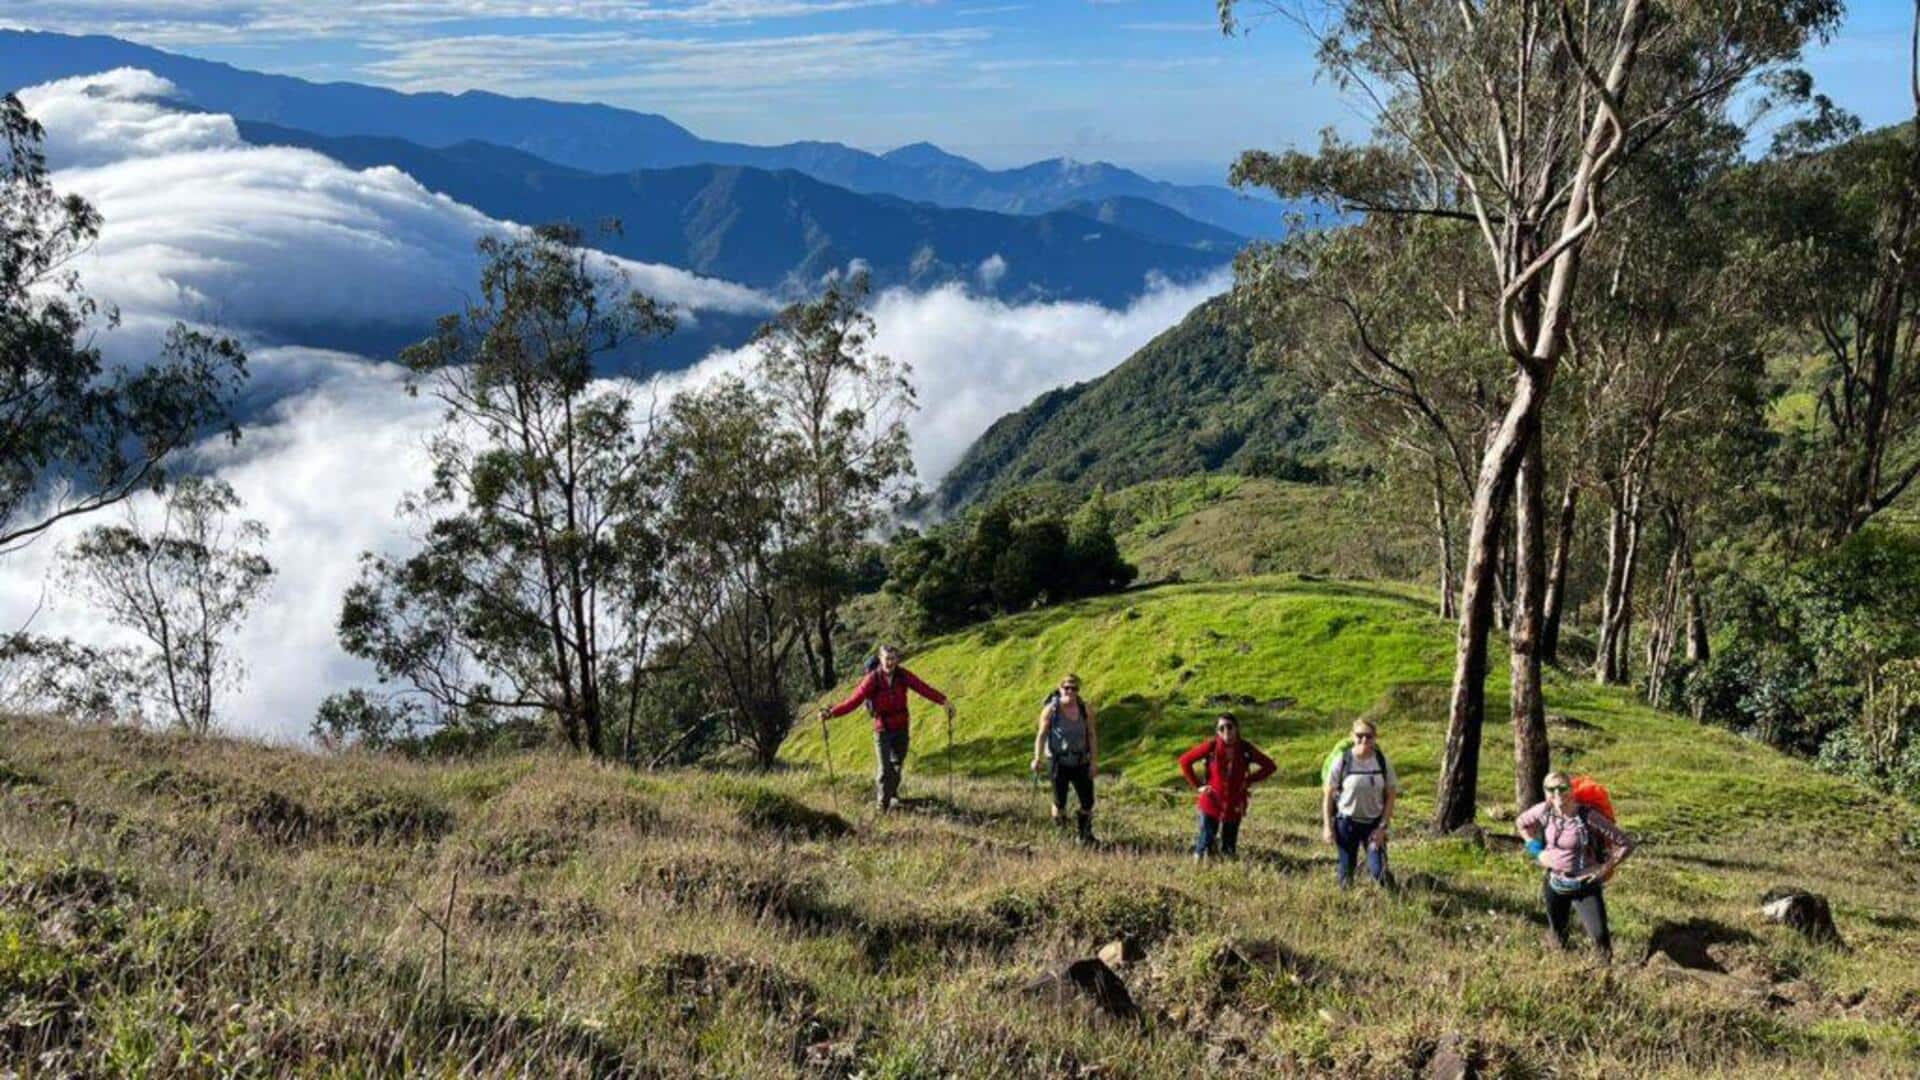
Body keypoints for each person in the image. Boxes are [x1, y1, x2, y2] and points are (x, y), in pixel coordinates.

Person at [1515, 771, 1635, 961]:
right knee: (1558, 936)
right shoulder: (1543, 811)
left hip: (1585, 886)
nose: (1557, 793)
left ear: (1571, 790)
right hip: (1555, 883)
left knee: (1600, 938)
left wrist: (1605, 868)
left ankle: (1605, 974)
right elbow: (1521, 823)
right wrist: (1537, 850)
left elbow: (1626, 844)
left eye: (1562, 788)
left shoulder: (1588, 816)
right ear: (1545, 792)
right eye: (1551, 789)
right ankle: (1564, 970)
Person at [819, 644, 954, 811]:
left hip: (901, 727)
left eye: (893, 659)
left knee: (897, 766)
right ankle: (882, 808)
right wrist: (832, 713)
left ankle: (891, 796)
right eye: (887, 659)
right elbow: (854, 700)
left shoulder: (903, 675)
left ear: (897, 659)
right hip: (882, 728)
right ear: (880, 659)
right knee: (884, 770)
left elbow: (922, 688)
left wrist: (943, 701)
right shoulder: (872, 679)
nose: (890, 662)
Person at [1178, 713, 1277, 860]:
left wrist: (1248, 780)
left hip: (1234, 803)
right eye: (1221, 728)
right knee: (1205, 844)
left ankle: (1227, 870)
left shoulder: (1245, 749)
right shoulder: (1211, 747)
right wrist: (1198, 786)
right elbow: (1185, 761)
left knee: (1229, 849)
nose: (1226, 731)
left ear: (1236, 728)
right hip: (1211, 801)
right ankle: (1198, 870)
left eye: (1229, 727)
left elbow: (1270, 766)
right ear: (1217, 731)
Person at [1322, 718, 1399, 887]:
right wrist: (1327, 827)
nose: (1364, 740)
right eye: (1359, 735)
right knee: (1346, 872)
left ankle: (1397, 896)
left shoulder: (1382, 761)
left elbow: (1391, 795)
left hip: (1374, 826)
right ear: (1352, 736)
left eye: (1369, 736)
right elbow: (1328, 795)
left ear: (1375, 738)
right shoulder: (1342, 760)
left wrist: (1382, 827)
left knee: (1379, 870)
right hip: (1346, 825)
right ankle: (1347, 901)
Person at [1030, 674, 1099, 843]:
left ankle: (1084, 835)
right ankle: (1061, 834)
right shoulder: (1051, 710)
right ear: (1060, 689)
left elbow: (1091, 735)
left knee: (1088, 802)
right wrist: (1037, 758)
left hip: (1081, 761)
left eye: (1074, 688)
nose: (1070, 691)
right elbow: (1041, 735)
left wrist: (1093, 762)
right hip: (1058, 762)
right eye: (1066, 688)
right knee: (1059, 802)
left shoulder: (1085, 709)